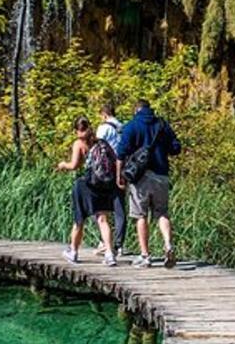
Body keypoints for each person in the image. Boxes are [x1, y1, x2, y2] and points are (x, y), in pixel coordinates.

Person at [114, 99, 182, 268]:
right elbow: (176, 148)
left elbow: (121, 153)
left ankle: (145, 256)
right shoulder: (162, 125)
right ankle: (168, 245)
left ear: (136, 110)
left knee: (140, 215)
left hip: (140, 178)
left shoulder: (131, 126)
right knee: (162, 213)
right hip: (161, 175)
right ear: (149, 109)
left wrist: (119, 176)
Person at [56, 116, 117, 266]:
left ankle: (74, 252)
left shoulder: (79, 143)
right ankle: (109, 254)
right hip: (103, 184)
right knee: (103, 219)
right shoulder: (100, 142)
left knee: (79, 220)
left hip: (87, 184)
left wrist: (63, 165)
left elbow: (75, 165)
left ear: (77, 130)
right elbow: (114, 159)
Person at [94, 104, 126, 257]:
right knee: (119, 208)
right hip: (121, 170)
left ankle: (104, 242)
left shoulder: (103, 128)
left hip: (105, 172)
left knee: (100, 207)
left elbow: (96, 148)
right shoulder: (123, 127)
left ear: (104, 115)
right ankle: (119, 245)